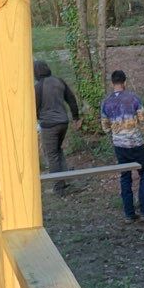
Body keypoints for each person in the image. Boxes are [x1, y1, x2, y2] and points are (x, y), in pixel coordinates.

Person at [101, 69, 144, 222]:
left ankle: (129, 214)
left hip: (119, 146)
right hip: (136, 143)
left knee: (125, 176)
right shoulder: (133, 98)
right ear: (124, 82)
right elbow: (143, 117)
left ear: (112, 83)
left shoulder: (106, 102)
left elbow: (105, 127)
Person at [33, 61, 80, 192]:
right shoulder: (59, 81)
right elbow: (71, 99)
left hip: (49, 125)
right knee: (58, 150)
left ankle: (59, 186)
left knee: (51, 154)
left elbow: (34, 108)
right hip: (63, 123)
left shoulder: (38, 87)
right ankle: (65, 179)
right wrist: (76, 117)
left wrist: (38, 118)